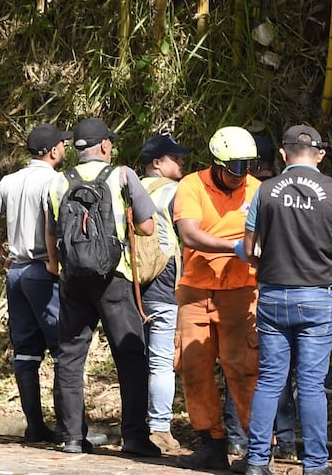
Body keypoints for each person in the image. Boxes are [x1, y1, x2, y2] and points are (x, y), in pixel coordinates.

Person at [242, 125, 332, 475]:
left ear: (283, 154)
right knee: (310, 385)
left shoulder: (264, 192)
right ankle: (314, 466)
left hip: (272, 296)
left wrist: (263, 265)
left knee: (269, 381)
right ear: (320, 155)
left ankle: (255, 462)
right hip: (317, 298)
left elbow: (250, 250)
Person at [45, 117, 162, 457]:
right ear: (106, 146)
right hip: (113, 278)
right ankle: (136, 438)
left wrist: (56, 265)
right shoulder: (122, 176)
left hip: (72, 278)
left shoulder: (57, 182)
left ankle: (70, 437)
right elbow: (148, 227)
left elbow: (51, 231)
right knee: (130, 356)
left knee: (69, 357)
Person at [0, 123, 72, 444]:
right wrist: (55, 263)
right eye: (62, 145)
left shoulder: (10, 180)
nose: (65, 149)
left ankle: (35, 426)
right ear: (54, 151)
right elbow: (52, 224)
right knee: (62, 349)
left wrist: (1, 254)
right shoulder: (56, 181)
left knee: (26, 351)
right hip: (44, 269)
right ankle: (67, 429)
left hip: (16, 271)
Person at [173, 126, 261, 470]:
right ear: (217, 164)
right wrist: (235, 247)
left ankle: (257, 447)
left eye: (248, 166)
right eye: (236, 167)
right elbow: (190, 233)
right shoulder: (192, 186)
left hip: (241, 291)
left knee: (243, 369)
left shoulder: (258, 190)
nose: (242, 175)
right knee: (193, 368)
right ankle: (211, 442)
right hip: (196, 290)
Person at [224, 127, 299, 462]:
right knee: (281, 372)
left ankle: (241, 440)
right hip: (291, 288)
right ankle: (285, 442)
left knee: (243, 367)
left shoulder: (258, 194)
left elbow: (250, 246)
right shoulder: (292, 192)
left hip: (251, 289)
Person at [137, 134, 191, 454]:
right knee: (160, 360)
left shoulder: (127, 190)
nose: (181, 162)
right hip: (163, 280)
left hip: (129, 282)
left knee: (135, 358)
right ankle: (160, 428)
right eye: (175, 158)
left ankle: (136, 424)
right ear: (157, 163)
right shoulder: (175, 192)